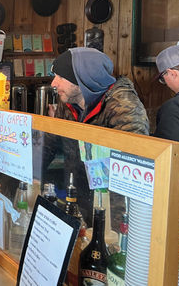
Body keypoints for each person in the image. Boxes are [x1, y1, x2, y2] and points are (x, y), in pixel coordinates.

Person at [45, 47, 149, 225]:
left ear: (82, 78)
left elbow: (136, 163)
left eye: (61, 77)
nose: (54, 84)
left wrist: (118, 223)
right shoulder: (68, 103)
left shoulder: (123, 106)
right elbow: (48, 145)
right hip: (78, 199)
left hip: (113, 212)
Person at [153, 44, 179, 142]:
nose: (165, 83)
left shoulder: (175, 107)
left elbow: (169, 153)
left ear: (172, 73)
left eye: (162, 78)